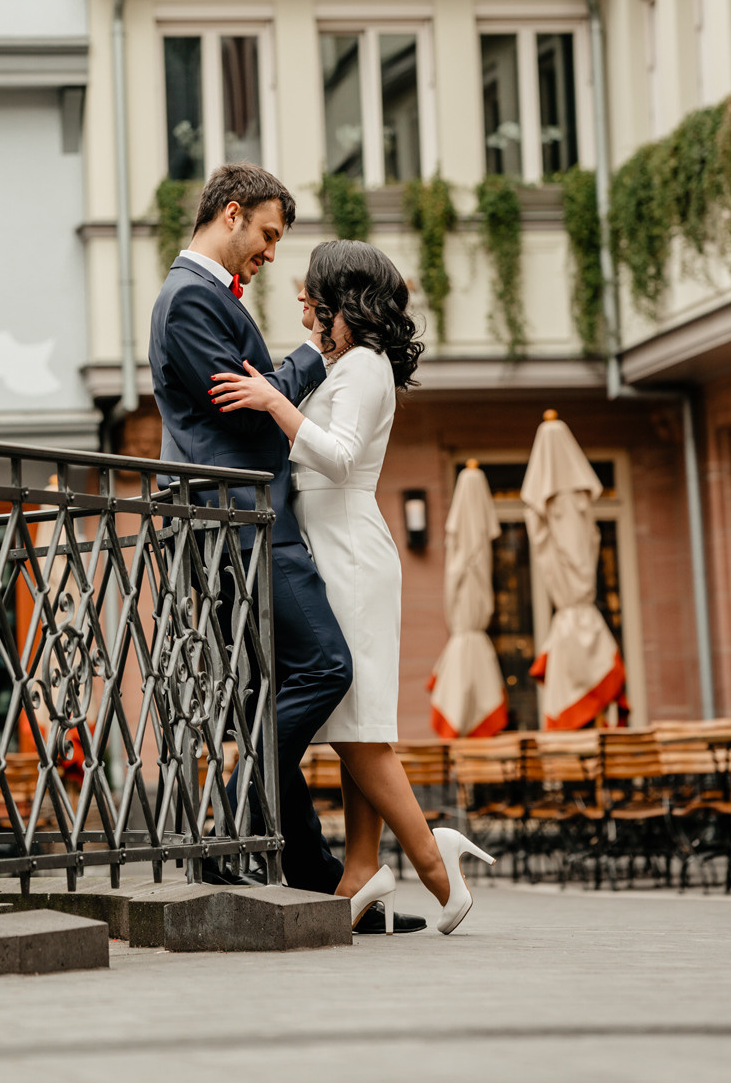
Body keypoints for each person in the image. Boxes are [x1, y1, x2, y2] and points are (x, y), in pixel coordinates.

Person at [148, 164, 425, 930]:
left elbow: (259, 395)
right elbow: (241, 413)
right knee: (328, 669)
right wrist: (311, 358)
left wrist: (282, 382)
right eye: (267, 234)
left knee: (270, 697)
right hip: (243, 522)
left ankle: (325, 886)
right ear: (231, 213)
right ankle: (234, 817)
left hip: (254, 520)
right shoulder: (188, 299)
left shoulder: (202, 295)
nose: (270, 253)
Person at [210, 238, 494, 935]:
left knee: (361, 732)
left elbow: (336, 459)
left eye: (313, 295)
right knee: (355, 725)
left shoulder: (366, 365)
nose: (304, 305)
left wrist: (273, 401)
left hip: (351, 555)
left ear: (346, 298)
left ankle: (434, 863)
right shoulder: (347, 363)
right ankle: (361, 868)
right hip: (333, 549)